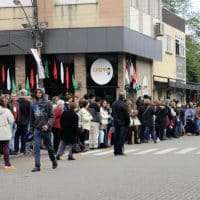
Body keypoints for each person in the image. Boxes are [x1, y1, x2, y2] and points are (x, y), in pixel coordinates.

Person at [30, 89, 57, 172]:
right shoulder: (33, 104)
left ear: (42, 94)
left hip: (46, 129)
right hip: (37, 129)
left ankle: (53, 160)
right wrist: (32, 128)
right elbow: (32, 117)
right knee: (36, 147)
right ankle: (37, 165)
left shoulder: (48, 103)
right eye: (37, 92)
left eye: (40, 92)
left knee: (49, 147)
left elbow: (52, 116)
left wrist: (48, 125)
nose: (38, 94)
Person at [0, 96, 15, 170]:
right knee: (5, 148)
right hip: (5, 130)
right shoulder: (7, 111)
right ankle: (7, 164)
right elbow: (12, 120)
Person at [14, 89, 31, 154]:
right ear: (25, 94)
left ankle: (16, 150)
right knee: (23, 136)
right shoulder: (28, 102)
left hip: (17, 121)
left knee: (16, 136)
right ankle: (22, 150)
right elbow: (29, 113)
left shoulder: (16, 102)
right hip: (25, 122)